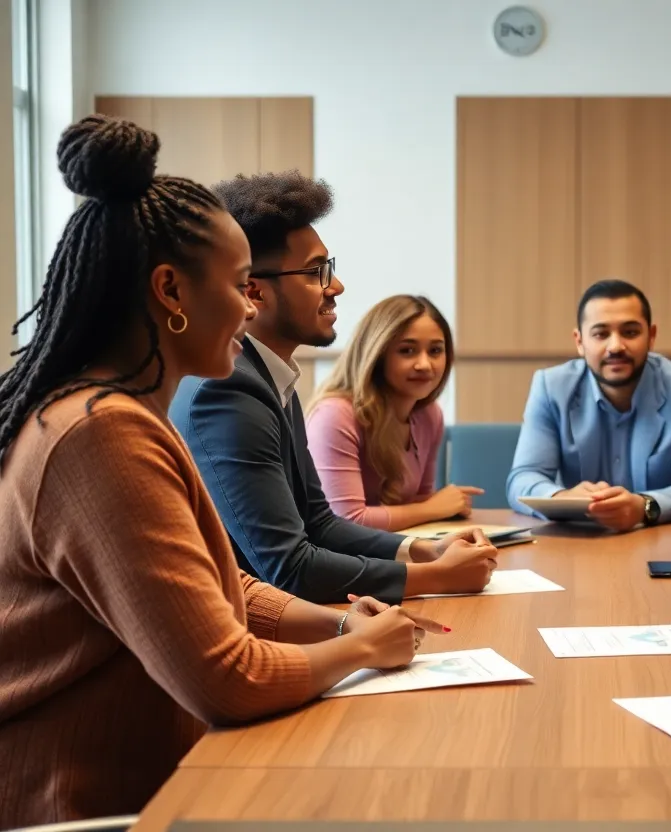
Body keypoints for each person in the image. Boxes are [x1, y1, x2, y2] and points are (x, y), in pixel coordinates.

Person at [0, 116, 446, 827]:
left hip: (160, 777)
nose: (248, 306)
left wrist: (334, 624)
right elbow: (225, 680)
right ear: (171, 292)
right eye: (240, 286)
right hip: (87, 804)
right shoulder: (100, 434)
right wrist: (358, 647)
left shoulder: (122, 413)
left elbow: (211, 585)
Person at [169, 172, 495, 603]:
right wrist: (436, 578)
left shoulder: (267, 375)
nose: (336, 287)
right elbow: (289, 568)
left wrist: (423, 550)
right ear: (255, 293)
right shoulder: (227, 391)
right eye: (316, 272)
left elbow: (318, 523)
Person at [506, 279, 671, 530]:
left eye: (630, 332)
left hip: (662, 538)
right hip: (579, 541)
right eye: (601, 334)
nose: (616, 346)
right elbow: (523, 478)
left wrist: (644, 506)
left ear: (651, 336)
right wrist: (562, 497)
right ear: (579, 342)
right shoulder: (551, 388)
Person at [306, 295, 484, 531]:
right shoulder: (334, 416)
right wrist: (435, 508)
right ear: (377, 354)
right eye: (407, 351)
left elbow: (417, 504)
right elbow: (346, 521)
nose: (424, 364)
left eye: (435, 351)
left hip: (394, 547)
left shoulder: (430, 415)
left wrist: (447, 506)